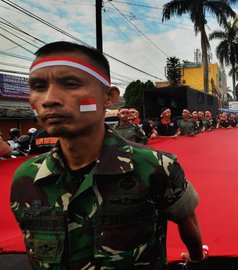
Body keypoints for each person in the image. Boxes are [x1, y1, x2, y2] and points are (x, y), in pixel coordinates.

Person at [10, 41, 206, 269]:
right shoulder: (25, 180)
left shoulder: (154, 167)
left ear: (109, 97)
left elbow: (187, 220)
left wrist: (196, 260)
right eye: (39, 87)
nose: (49, 99)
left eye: (71, 84)